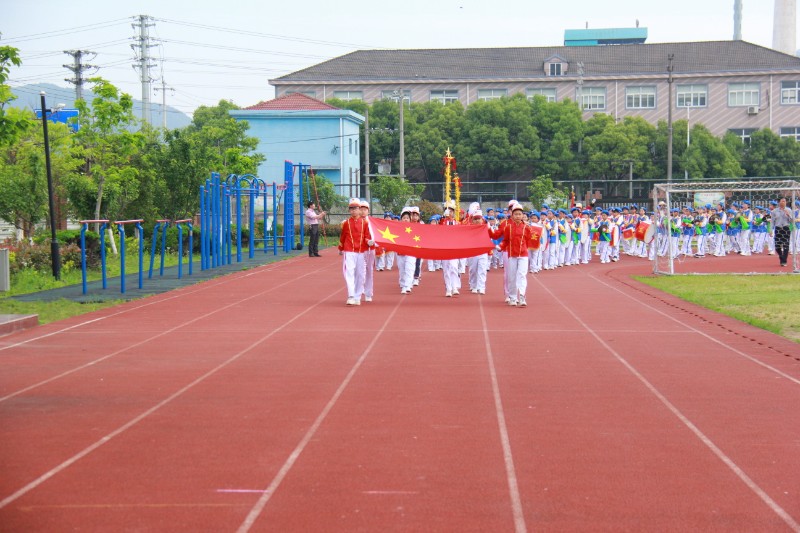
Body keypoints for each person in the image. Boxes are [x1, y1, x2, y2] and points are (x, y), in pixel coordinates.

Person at [488, 202, 536, 307]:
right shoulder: (508, 227)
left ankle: (522, 296)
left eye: (520, 214)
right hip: (511, 255)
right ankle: (513, 297)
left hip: (523, 255)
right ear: (512, 215)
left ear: (523, 215)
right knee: (512, 277)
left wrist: (525, 249)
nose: (518, 216)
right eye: (516, 214)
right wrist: (500, 246)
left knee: (522, 275)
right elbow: (505, 240)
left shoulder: (527, 228)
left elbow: (529, 240)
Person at [338, 198, 372, 306]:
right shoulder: (346, 223)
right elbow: (343, 236)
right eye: (351, 208)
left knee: (360, 274)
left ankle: (357, 296)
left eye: (355, 208)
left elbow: (366, 236)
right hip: (349, 250)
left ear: (359, 209)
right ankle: (351, 295)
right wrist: (341, 248)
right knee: (349, 272)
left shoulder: (364, 223)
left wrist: (369, 241)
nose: (353, 211)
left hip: (361, 251)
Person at [771, 197, 793, 267]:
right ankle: (781, 256)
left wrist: (788, 215)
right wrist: (770, 230)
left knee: (786, 245)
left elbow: (792, 220)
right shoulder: (774, 211)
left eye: (785, 201)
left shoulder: (789, 210)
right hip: (778, 228)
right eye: (782, 201)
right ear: (779, 202)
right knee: (777, 246)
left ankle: (784, 261)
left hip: (786, 228)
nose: (784, 202)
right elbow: (772, 221)